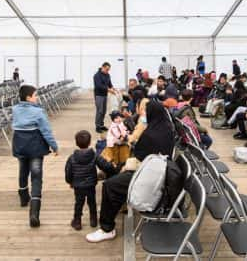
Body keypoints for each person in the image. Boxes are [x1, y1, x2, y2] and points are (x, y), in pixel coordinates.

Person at [86, 100, 175, 243]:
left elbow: (139, 155)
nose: (144, 114)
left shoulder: (152, 134)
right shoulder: (165, 128)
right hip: (154, 171)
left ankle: (107, 229)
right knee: (117, 173)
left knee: (110, 185)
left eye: (146, 111)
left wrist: (126, 166)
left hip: (149, 176)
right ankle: (113, 209)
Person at [12, 85, 59, 228]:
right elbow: (46, 131)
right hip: (35, 147)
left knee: (23, 170)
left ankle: (23, 197)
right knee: (36, 176)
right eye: (35, 95)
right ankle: (34, 213)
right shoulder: (38, 112)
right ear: (28, 98)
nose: (37, 97)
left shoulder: (14, 110)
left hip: (20, 144)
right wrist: (54, 146)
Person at [65, 130, 119, 231]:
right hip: (90, 184)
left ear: (76, 143)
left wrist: (70, 181)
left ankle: (77, 222)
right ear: (90, 143)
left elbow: (68, 171)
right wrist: (113, 168)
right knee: (92, 202)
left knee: (79, 203)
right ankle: (93, 220)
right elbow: (104, 165)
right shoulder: (93, 155)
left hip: (78, 185)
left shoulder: (72, 158)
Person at [93, 63, 116, 133]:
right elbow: (99, 86)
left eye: (108, 70)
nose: (107, 71)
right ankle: (97, 126)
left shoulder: (107, 75)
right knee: (99, 111)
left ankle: (101, 125)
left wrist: (113, 88)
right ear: (102, 67)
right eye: (106, 69)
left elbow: (109, 83)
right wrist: (109, 90)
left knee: (104, 111)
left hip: (105, 95)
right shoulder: (97, 76)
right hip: (99, 95)